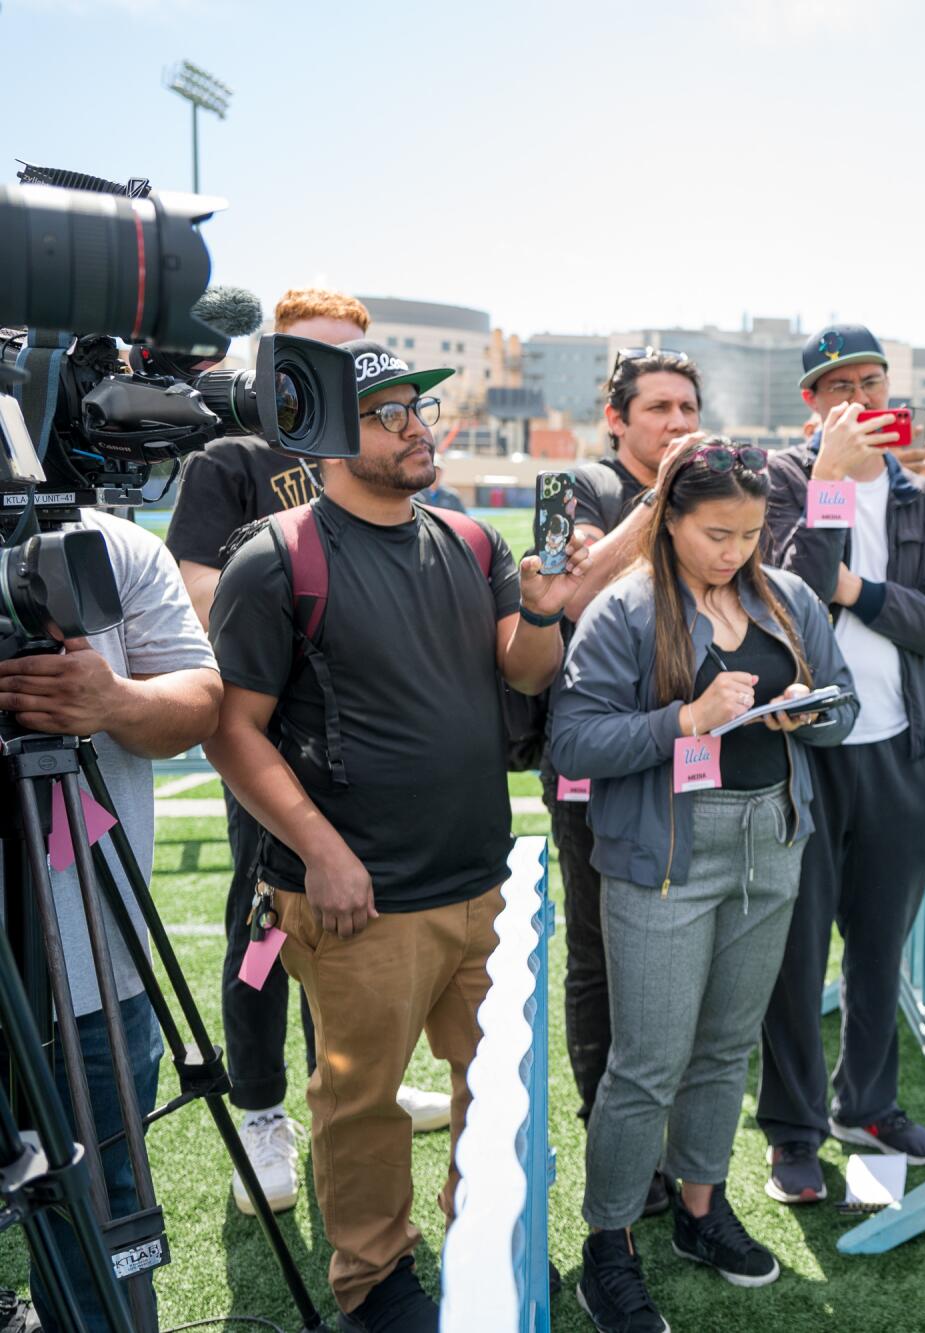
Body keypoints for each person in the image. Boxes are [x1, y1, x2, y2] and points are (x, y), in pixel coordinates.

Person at [206, 341, 586, 1330]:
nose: (416, 424)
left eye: (416, 405)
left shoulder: (470, 542)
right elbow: (233, 732)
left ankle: (482, 1241)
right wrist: (323, 852)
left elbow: (524, 673)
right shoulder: (276, 556)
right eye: (388, 412)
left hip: (480, 883)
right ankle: (374, 1282)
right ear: (332, 432)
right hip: (357, 897)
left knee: (490, 1093)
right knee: (360, 1103)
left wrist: (542, 613)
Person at [549, 434, 856, 1331]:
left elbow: (845, 708)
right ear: (670, 520)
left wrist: (810, 714)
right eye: (717, 532)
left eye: (751, 533)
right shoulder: (625, 610)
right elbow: (573, 741)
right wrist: (682, 719)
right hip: (667, 859)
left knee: (727, 1048)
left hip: (772, 842)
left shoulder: (790, 596)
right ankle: (608, 1246)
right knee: (646, 1064)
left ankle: (699, 1209)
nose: (736, 551)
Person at [165, 288, 454, 1220]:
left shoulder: (383, 453)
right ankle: (260, 1108)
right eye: (324, 360)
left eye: (362, 361)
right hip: (277, 744)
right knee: (265, 925)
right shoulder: (235, 459)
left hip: (372, 754)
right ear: (276, 371)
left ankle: (362, 1082)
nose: (352, 380)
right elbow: (200, 593)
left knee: (362, 929)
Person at [756, 323, 925, 1206]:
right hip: (808, 751)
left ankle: (866, 1106)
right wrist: (829, 486)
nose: (863, 399)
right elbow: (790, 604)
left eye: (872, 381)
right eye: (841, 386)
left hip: (897, 750)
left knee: (879, 951)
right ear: (812, 401)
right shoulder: (777, 480)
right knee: (797, 958)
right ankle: (794, 1131)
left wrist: (863, 594)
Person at [0, 509, 221, 1333]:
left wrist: (113, 700)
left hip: (94, 970)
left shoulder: (109, 544)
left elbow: (200, 696)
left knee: (104, 1214)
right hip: (86, 962)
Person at [543, 349, 703, 1151]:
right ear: (616, 418)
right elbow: (565, 593)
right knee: (600, 953)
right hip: (597, 757)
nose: (678, 424)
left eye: (688, 409)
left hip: (693, 757)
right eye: (659, 409)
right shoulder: (578, 489)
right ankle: (611, 1133)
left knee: (686, 947)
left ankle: (673, 1130)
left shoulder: (712, 479)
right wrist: (659, 505)